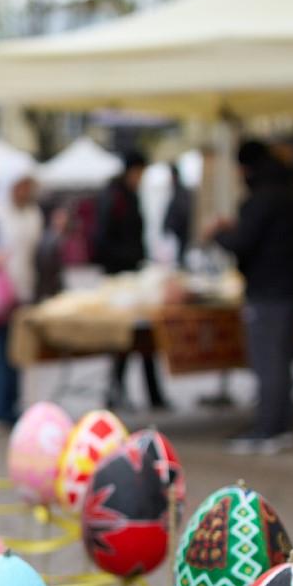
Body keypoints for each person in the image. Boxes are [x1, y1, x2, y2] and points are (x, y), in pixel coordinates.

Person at [210, 140, 293, 455]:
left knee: (268, 361)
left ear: (245, 167)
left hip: (268, 290)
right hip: (290, 288)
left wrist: (218, 233)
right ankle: (279, 424)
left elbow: (243, 242)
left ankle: (268, 429)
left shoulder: (262, 197)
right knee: (280, 360)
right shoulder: (292, 192)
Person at [95, 150, 171, 411]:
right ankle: (117, 391)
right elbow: (103, 241)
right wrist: (130, 257)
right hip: (119, 277)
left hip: (132, 272)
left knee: (143, 336)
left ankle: (151, 393)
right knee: (124, 339)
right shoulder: (114, 197)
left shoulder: (129, 196)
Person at [0, 175, 43, 423]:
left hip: (23, 291)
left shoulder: (33, 215)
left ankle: (11, 404)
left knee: (17, 352)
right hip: (0, 295)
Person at [163, 162, 195, 261]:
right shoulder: (178, 190)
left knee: (179, 257)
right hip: (178, 232)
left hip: (180, 233)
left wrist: (170, 225)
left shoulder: (180, 191)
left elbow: (181, 211)